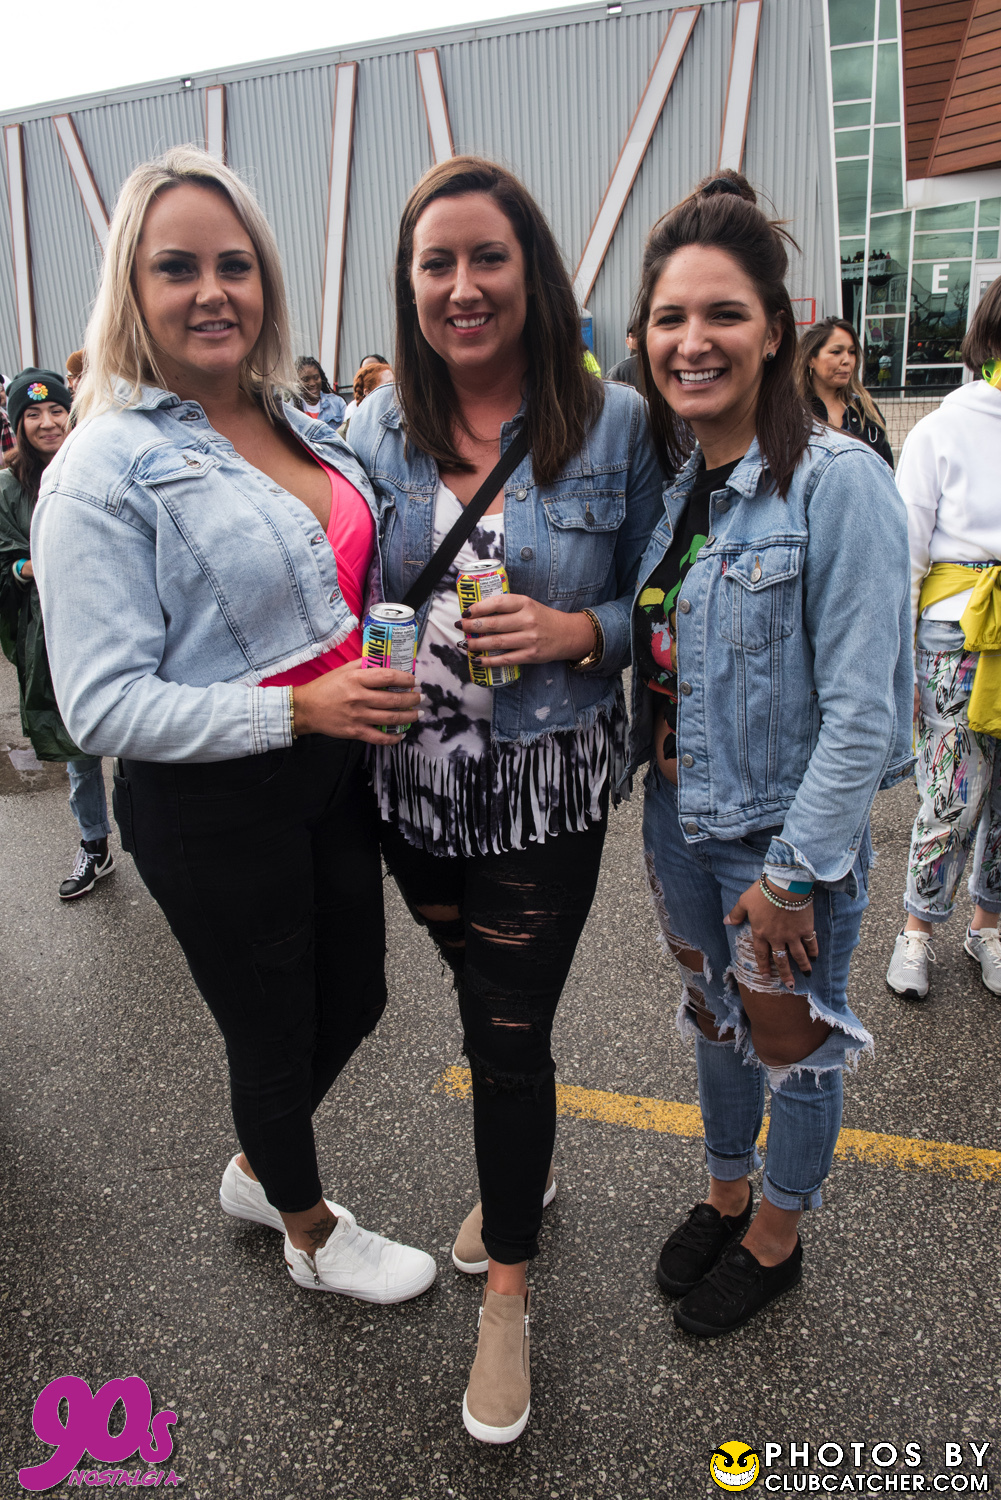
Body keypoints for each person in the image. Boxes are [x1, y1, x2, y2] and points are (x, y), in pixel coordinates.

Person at [32, 147, 435, 1307]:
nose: (213, 290)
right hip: (210, 802)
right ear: (131, 287)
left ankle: (259, 1167)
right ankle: (306, 1229)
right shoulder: (102, 466)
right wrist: (300, 704)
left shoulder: (291, 419)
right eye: (177, 268)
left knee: (355, 995)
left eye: (235, 264)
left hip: (327, 770)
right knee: (270, 1030)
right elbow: (99, 703)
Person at [348, 155, 664, 1442]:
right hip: (408, 780)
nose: (463, 285)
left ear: (532, 273)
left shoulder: (613, 420)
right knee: (475, 996)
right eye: (437, 263)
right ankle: (520, 1161)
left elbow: (658, 598)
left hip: (544, 779)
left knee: (506, 1030)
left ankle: (507, 1299)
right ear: (409, 284)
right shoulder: (375, 426)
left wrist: (576, 631)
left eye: (488, 257)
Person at [629, 171, 912, 1338]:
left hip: (776, 844)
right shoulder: (676, 486)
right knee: (712, 1020)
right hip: (675, 823)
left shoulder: (837, 485)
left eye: (721, 314)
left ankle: (776, 1234)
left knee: (790, 1046)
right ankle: (723, 1191)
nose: (691, 341)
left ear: (775, 329)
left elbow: (863, 713)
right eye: (668, 317)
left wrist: (792, 874)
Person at [885, 279, 1001, 1002]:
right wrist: (897, 663)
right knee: (951, 790)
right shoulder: (942, 428)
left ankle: (987, 926)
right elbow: (904, 552)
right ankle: (917, 929)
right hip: (956, 631)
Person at [0, 368, 116, 899]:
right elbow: (4, 562)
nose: (47, 422)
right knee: (79, 746)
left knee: (147, 737)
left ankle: (158, 842)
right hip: (54, 634)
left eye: (56, 410)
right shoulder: (8, 487)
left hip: (114, 619)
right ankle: (95, 844)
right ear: (17, 423)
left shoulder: (97, 463)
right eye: (33, 414)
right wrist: (31, 565)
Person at [799, 315, 894, 467]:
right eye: (836, 352)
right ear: (811, 359)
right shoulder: (793, 411)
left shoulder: (865, 410)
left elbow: (885, 470)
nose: (847, 360)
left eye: (852, 352)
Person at [293, 354, 346, 427]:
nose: (312, 383)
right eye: (306, 379)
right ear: (297, 382)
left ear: (321, 377)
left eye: (316, 378)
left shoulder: (337, 403)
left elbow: (348, 430)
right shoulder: (292, 408)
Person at [340, 359, 394, 429]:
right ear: (368, 392)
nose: (394, 388)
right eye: (388, 384)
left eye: (395, 383)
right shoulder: (354, 416)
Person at [606, 324, 641, 389]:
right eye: (634, 336)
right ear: (627, 342)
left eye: (641, 335)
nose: (637, 339)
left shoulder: (619, 371)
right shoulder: (619, 372)